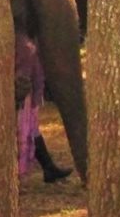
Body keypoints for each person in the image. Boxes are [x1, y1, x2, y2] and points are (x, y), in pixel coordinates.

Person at [15, 31, 73, 183]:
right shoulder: (20, 39)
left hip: (28, 92)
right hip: (20, 94)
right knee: (20, 133)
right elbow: (22, 66)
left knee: (31, 131)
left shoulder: (29, 39)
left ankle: (48, 168)